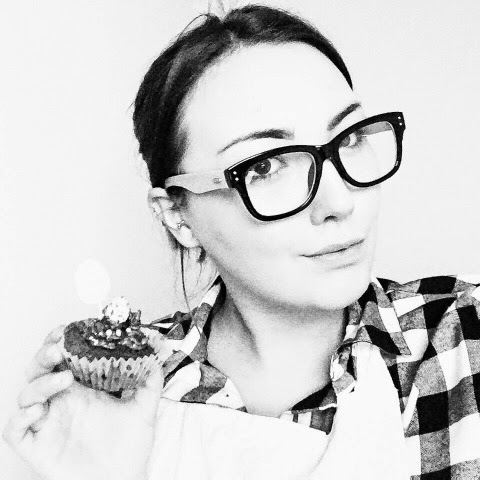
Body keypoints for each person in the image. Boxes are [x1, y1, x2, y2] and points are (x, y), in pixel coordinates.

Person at [3, 4, 480, 479]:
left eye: (350, 139)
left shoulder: (462, 336)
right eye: (265, 166)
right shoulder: (125, 395)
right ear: (177, 216)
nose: (339, 201)